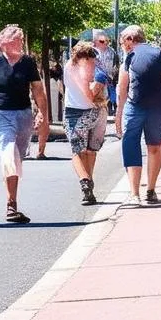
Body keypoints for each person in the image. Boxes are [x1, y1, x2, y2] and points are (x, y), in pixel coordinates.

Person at [0, 25, 48, 224]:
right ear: (5, 44)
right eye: (18, 40)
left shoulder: (28, 63)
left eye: (22, 39)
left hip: (23, 115)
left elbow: (38, 90)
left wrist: (41, 113)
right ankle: (11, 204)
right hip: (1, 114)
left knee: (17, 159)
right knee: (9, 154)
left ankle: (12, 201)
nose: (22, 43)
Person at [115, 25, 161, 205]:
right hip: (158, 108)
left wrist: (119, 114)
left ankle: (135, 194)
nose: (122, 46)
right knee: (154, 147)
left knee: (131, 145)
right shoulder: (160, 53)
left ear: (130, 40)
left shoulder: (130, 56)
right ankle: (150, 190)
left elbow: (123, 87)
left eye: (122, 42)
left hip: (135, 107)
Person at [62, 41, 109, 206]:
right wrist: (96, 88)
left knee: (78, 151)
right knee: (89, 151)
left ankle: (85, 182)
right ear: (87, 57)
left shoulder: (69, 66)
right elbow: (88, 93)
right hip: (95, 111)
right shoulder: (82, 67)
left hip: (75, 113)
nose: (93, 62)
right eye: (92, 59)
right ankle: (88, 185)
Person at [93, 32, 119, 115]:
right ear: (96, 41)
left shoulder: (112, 51)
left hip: (110, 77)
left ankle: (112, 108)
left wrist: (113, 75)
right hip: (97, 78)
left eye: (107, 41)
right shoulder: (93, 51)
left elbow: (116, 64)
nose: (105, 43)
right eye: (102, 41)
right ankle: (101, 110)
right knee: (99, 95)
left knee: (111, 93)